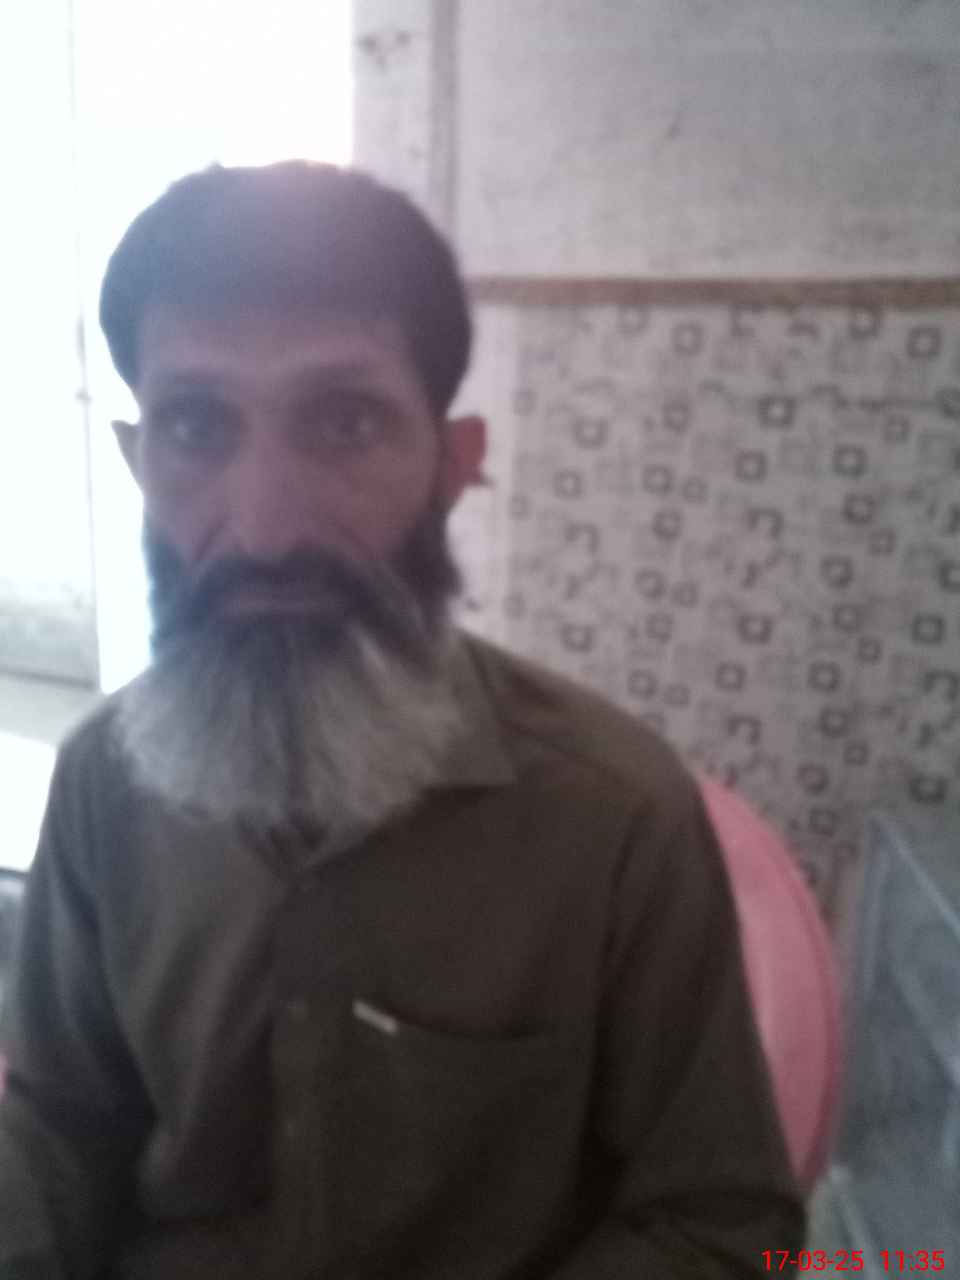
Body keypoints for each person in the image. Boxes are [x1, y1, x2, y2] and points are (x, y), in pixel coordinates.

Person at [0, 162, 804, 1278]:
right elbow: (56, 1134)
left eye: (344, 423)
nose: (266, 527)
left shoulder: (617, 818)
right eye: (194, 426)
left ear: (452, 464)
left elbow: (723, 1226)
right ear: (139, 460)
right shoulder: (101, 781)